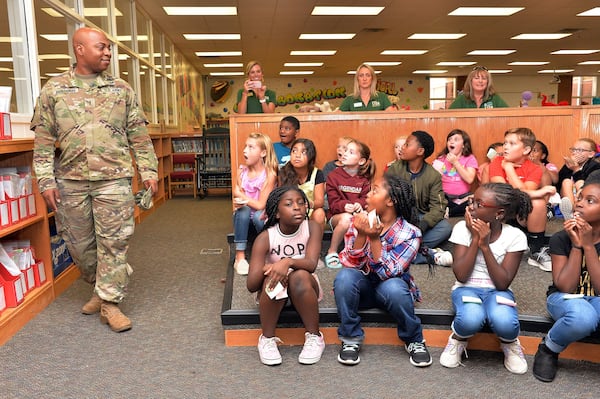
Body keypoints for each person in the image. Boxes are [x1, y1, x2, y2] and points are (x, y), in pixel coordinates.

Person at [30, 27, 158, 333]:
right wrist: (45, 181)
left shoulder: (122, 89)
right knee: (80, 246)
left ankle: (110, 303)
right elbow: (43, 142)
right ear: (79, 49)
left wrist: (149, 172)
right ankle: (101, 289)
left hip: (113, 180)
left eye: (109, 48)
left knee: (114, 243)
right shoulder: (54, 90)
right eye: (101, 47)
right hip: (70, 181)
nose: (108, 53)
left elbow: (139, 138)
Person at [334, 174, 432, 367]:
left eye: (375, 190)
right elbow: (350, 262)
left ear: (390, 200)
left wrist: (375, 238)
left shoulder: (410, 233)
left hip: (389, 290)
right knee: (344, 278)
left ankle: (414, 339)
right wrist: (362, 234)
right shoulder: (360, 222)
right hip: (363, 289)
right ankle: (350, 338)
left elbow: (389, 272)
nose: (368, 195)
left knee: (394, 287)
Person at [440, 183, 532, 374]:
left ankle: (510, 343)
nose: (471, 207)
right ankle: (458, 338)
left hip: (498, 291)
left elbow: (502, 283)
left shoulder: (515, 236)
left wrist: (485, 245)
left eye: (479, 204)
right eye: (472, 201)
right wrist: (475, 238)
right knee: (470, 318)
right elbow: (462, 275)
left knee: (505, 323)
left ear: (498, 214)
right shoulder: (461, 229)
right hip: (466, 288)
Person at [532, 170, 600, 382]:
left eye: (590, 201)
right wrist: (577, 245)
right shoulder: (561, 238)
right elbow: (565, 286)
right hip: (563, 298)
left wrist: (589, 245)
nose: (579, 203)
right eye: (579, 197)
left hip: (596, 296)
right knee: (583, 318)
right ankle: (549, 348)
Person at [247, 186, 325, 366]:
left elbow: (311, 264)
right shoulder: (265, 238)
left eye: (301, 203)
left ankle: (314, 337)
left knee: (299, 275)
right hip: (274, 292)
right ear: (276, 213)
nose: (297, 207)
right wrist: (274, 268)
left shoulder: (312, 227)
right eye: (289, 204)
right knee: (276, 277)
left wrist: (287, 262)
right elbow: (252, 284)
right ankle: (267, 338)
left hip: (303, 289)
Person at [489, 127, 557, 272]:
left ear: (526, 150)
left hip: (521, 214)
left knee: (538, 202)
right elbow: (503, 193)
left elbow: (524, 195)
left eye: (512, 143)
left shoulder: (535, 168)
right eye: (505, 142)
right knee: (534, 197)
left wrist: (509, 169)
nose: (506, 146)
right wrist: (539, 192)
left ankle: (536, 250)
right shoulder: (496, 162)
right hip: (499, 212)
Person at [386, 131, 453, 266]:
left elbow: (438, 207)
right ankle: (423, 252)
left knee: (445, 227)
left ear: (420, 151)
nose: (402, 148)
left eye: (407, 145)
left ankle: (405, 249)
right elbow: (385, 197)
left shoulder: (433, 175)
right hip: (399, 219)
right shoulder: (394, 169)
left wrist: (424, 225)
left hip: (420, 219)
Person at [232, 133, 278, 275]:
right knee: (243, 211)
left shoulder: (270, 174)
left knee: (259, 215)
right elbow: (236, 197)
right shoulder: (241, 172)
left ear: (263, 153)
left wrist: (241, 196)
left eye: (251, 147)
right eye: (245, 146)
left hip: (260, 219)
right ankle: (239, 257)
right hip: (244, 219)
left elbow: (260, 205)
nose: (245, 150)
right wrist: (239, 201)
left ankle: (266, 253)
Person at [324, 139, 375, 268]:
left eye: (351, 152)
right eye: (345, 150)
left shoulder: (364, 179)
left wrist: (359, 204)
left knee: (369, 218)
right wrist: (344, 206)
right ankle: (332, 251)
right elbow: (332, 203)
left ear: (361, 161)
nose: (345, 153)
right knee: (346, 218)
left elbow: (366, 199)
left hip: (357, 215)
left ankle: (358, 253)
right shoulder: (333, 176)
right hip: (337, 217)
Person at [279, 138, 326, 226]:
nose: (297, 155)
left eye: (303, 152)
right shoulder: (283, 172)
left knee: (319, 213)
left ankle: (315, 239)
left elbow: (320, 201)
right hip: (291, 210)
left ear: (311, 156)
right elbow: (281, 198)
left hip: (309, 210)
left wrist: (308, 204)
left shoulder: (317, 173)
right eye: (294, 151)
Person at [432, 129, 478, 217]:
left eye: (456, 140)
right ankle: (452, 210)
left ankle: (448, 211)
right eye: (449, 139)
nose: (451, 142)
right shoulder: (441, 159)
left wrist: (455, 162)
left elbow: (469, 179)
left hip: (463, 197)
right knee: (437, 199)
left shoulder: (470, 158)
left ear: (464, 145)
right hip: (444, 196)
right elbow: (433, 181)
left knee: (474, 201)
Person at [556, 138, 600, 219]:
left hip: (584, 196)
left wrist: (576, 169)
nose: (575, 153)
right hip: (568, 195)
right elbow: (558, 182)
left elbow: (589, 184)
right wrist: (567, 167)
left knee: (580, 183)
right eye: (573, 149)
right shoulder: (569, 164)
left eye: (580, 150)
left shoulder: (595, 166)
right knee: (566, 181)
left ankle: (578, 212)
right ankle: (572, 212)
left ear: (591, 154)